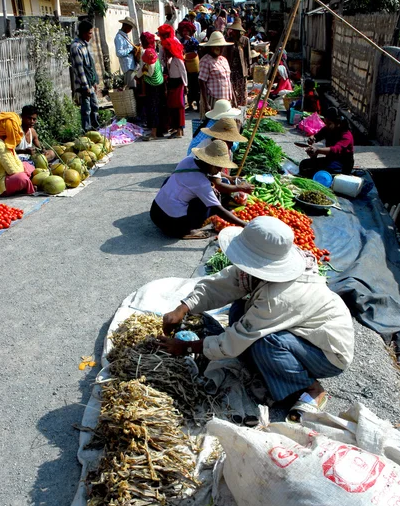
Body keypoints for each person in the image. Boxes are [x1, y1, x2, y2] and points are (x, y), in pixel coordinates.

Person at [159, 216, 354, 421]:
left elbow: (235, 339)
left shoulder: (279, 297)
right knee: (239, 309)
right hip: (299, 331)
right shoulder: (264, 266)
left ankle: (310, 389)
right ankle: (267, 368)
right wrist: (184, 307)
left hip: (326, 352)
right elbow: (224, 283)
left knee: (266, 343)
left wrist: (186, 347)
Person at [150, 140, 248, 239]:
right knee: (207, 204)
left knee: (173, 182)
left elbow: (209, 174)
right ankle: (186, 231)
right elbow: (219, 210)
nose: (220, 171)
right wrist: (245, 225)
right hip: (172, 223)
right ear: (210, 163)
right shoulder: (201, 183)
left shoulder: (187, 161)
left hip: (155, 212)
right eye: (219, 167)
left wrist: (228, 178)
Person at [299, 107, 355, 178]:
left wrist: (318, 150)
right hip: (330, 160)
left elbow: (336, 149)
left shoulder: (346, 135)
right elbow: (317, 136)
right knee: (304, 164)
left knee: (316, 172)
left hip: (342, 164)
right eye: (326, 123)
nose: (327, 126)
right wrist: (312, 138)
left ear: (338, 123)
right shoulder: (327, 129)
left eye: (329, 124)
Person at [70, 19, 99, 133]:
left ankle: (96, 129)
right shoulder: (76, 47)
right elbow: (80, 69)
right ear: (83, 33)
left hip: (90, 83)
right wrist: (86, 86)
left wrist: (94, 82)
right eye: (90, 33)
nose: (91, 36)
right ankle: (87, 132)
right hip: (83, 84)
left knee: (94, 106)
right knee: (86, 109)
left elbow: (90, 66)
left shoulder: (86, 45)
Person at [198, 31, 235, 118]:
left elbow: (228, 80)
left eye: (222, 47)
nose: (221, 49)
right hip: (213, 100)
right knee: (213, 127)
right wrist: (206, 104)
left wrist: (234, 99)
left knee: (225, 126)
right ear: (211, 47)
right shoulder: (205, 61)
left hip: (226, 100)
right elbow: (202, 82)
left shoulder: (223, 60)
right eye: (218, 47)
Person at [0, 112, 35, 197]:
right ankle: (22, 187)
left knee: (28, 165)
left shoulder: (5, 141)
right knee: (22, 178)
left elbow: (15, 160)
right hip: (1, 181)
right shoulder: (0, 145)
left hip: (7, 173)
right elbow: (12, 170)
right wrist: (25, 171)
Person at [136, 47, 165, 141]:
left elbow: (144, 74)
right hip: (160, 85)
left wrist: (141, 72)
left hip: (153, 88)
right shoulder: (157, 60)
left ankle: (153, 133)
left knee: (153, 110)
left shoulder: (150, 65)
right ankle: (159, 131)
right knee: (159, 109)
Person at [161, 37, 187, 139]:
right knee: (174, 107)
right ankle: (177, 129)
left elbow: (183, 71)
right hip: (172, 83)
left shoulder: (178, 58)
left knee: (179, 107)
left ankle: (180, 130)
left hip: (179, 83)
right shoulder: (171, 59)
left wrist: (185, 85)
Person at [224, 18, 251, 107]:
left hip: (241, 70)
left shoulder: (245, 40)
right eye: (234, 30)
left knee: (242, 91)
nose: (235, 32)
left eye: (237, 30)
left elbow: (248, 56)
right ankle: (233, 106)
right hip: (231, 69)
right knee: (232, 89)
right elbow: (225, 54)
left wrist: (249, 68)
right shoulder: (228, 39)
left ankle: (241, 107)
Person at [178, 21, 200, 111]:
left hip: (193, 65)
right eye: (184, 31)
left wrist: (190, 40)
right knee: (189, 85)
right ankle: (190, 104)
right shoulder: (181, 41)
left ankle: (198, 104)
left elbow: (197, 49)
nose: (185, 33)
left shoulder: (194, 40)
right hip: (185, 65)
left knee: (196, 85)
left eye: (187, 31)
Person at [114, 16, 138, 88]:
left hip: (132, 66)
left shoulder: (125, 36)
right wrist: (131, 50)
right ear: (125, 26)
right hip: (128, 67)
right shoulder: (119, 37)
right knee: (131, 88)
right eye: (130, 28)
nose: (130, 30)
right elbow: (119, 53)